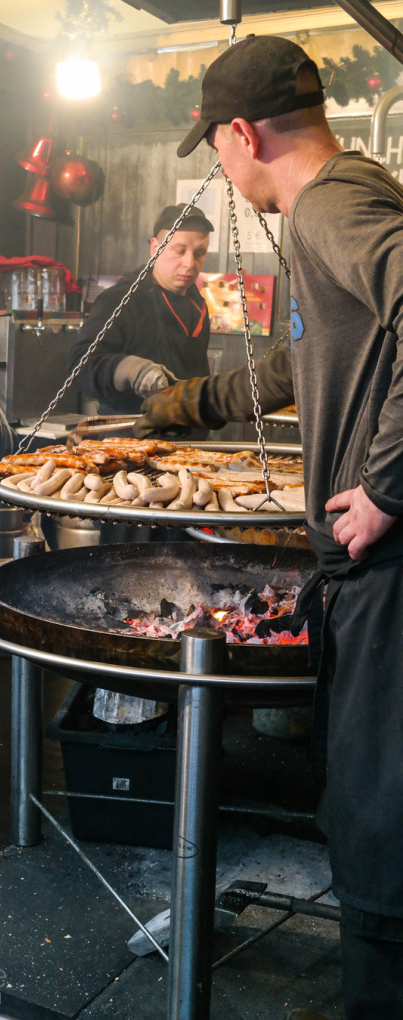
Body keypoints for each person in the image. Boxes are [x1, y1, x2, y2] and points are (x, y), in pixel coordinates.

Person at [136, 34, 403, 1020]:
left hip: (386, 563)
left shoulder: (334, 205)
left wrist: (384, 484)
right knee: (361, 804)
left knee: (377, 828)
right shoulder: (333, 209)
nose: (217, 170)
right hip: (366, 568)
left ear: (240, 132)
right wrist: (190, 404)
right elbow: (303, 366)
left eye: (213, 148)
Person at [66, 203, 214, 433]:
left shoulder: (198, 305)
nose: (189, 262)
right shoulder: (121, 298)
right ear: (155, 247)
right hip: (129, 443)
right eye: (179, 250)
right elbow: (79, 365)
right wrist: (129, 369)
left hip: (187, 442)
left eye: (199, 253)